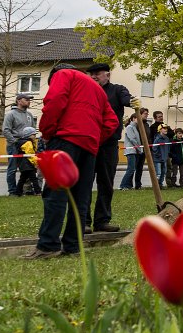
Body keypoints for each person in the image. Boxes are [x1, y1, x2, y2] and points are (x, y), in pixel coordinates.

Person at [25, 64, 119, 259]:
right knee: (80, 197)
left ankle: (48, 246)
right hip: (89, 146)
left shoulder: (63, 74)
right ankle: (73, 246)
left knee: (55, 193)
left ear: (53, 76)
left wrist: (47, 132)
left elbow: (54, 100)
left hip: (65, 139)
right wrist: (94, 137)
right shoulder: (97, 89)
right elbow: (112, 121)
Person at [87, 62, 134, 232]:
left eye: (97, 74)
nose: (94, 77)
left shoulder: (117, 90)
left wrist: (132, 101)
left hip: (109, 144)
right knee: (85, 183)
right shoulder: (86, 90)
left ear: (107, 75)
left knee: (106, 183)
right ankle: (84, 221)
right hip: (89, 142)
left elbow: (126, 99)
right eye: (91, 74)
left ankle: (102, 220)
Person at [2, 92, 36, 196]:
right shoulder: (11, 114)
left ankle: (27, 190)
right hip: (14, 145)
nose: (29, 101)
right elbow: (6, 130)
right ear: (19, 101)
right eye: (26, 99)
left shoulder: (29, 115)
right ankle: (12, 191)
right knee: (12, 169)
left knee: (28, 167)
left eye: (29, 100)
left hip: (27, 145)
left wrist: (32, 141)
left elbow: (33, 129)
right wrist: (14, 141)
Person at [14, 126, 42, 196]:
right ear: (29, 135)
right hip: (28, 164)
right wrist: (36, 162)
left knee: (22, 179)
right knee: (34, 179)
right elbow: (30, 154)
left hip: (22, 164)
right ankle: (38, 192)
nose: (35, 136)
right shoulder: (28, 143)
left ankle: (18, 192)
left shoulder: (22, 142)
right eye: (34, 134)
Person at [120, 113, 143, 190]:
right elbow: (132, 139)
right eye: (138, 118)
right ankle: (123, 185)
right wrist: (139, 148)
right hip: (131, 151)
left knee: (133, 169)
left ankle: (129, 185)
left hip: (135, 151)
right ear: (133, 118)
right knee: (131, 169)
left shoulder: (135, 127)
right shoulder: (130, 127)